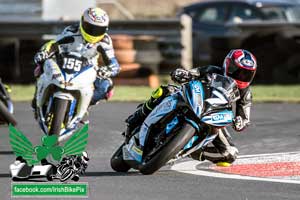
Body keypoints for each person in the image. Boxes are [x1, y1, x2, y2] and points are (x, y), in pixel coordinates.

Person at [124, 49, 257, 165]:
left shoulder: (245, 93)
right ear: (228, 65)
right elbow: (193, 73)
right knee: (165, 91)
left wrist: (240, 122)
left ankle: (190, 150)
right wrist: (182, 74)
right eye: (238, 71)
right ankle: (137, 117)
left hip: (213, 116)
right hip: (194, 99)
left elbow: (245, 117)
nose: (241, 76)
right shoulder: (212, 70)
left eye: (246, 74)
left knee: (229, 154)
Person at [32, 7, 120, 107]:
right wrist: (43, 53)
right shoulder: (71, 31)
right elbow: (53, 44)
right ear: (82, 23)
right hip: (63, 64)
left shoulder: (105, 42)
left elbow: (114, 63)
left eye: (98, 30)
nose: (93, 32)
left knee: (106, 86)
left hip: (87, 69)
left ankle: (83, 107)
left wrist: (108, 70)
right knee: (40, 66)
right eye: (90, 27)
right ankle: (38, 97)